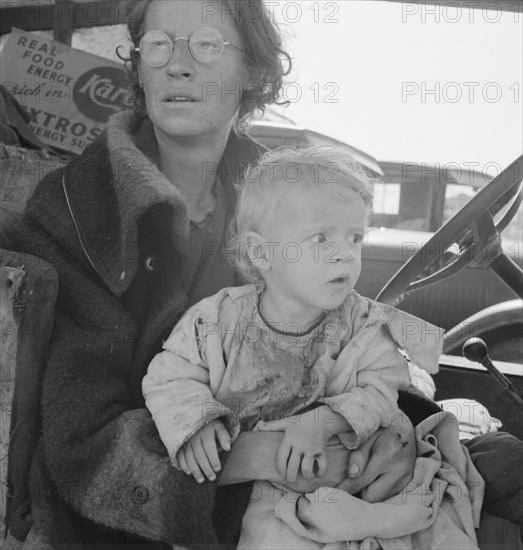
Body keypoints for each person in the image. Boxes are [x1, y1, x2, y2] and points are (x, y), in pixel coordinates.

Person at [4, 0, 521, 547]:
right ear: (138, 65)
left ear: (253, 69)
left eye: (206, 44)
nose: (177, 65)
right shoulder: (75, 209)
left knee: (505, 464)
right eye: (158, 45)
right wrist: (263, 454)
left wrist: (381, 429)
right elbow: (82, 444)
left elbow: (344, 343)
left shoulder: (285, 189)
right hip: (202, 507)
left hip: (330, 458)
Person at [142, 145, 481, 549]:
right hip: (260, 486)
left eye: (355, 238)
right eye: (321, 238)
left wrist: (323, 421)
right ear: (261, 252)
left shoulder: (361, 324)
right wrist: (197, 420)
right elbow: (170, 374)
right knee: (272, 533)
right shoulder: (217, 320)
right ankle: (363, 522)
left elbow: (383, 389)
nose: (344, 253)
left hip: (344, 464)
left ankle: (372, 518)